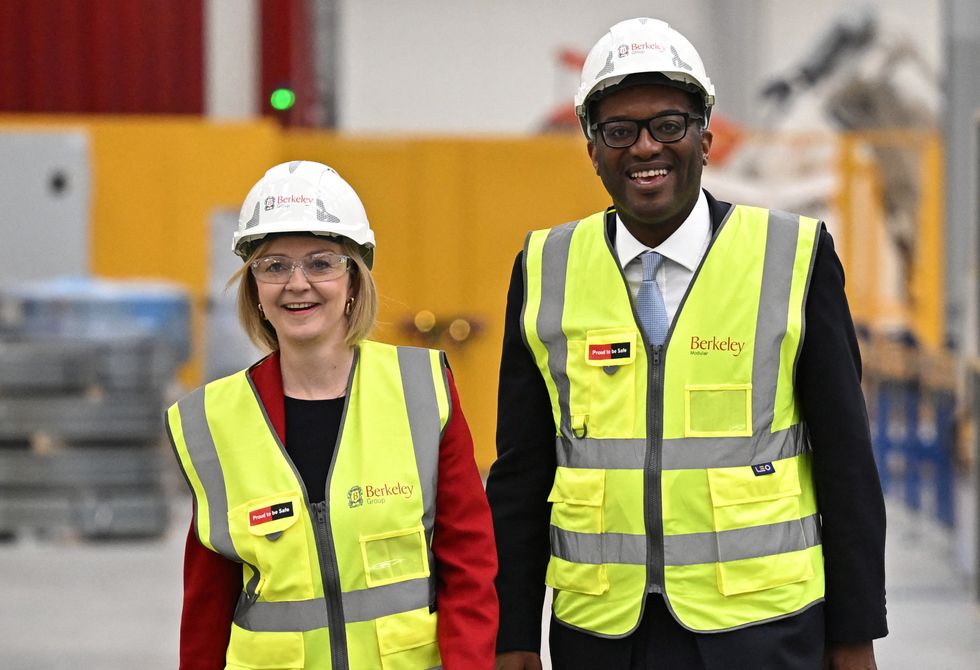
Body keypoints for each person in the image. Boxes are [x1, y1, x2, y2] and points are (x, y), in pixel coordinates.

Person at [486, 18, 886, 670]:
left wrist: (854, 637)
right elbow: (522, 474)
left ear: (705, 135)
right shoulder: (545, 269)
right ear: (591, 148)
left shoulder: (792, 257)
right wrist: (514, 636)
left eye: (668, 125)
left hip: (763, 632)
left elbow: (846, 466)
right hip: (603, 637)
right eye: (619, 131)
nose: (645, 147)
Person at [166, 160, 498, 669]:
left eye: (321, 262)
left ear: (354, 279)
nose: (297, 283)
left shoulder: (422, 389)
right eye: (274, 265)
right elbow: (206, 609)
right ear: (254, 286)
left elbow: (470, 569)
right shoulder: (213, 421)